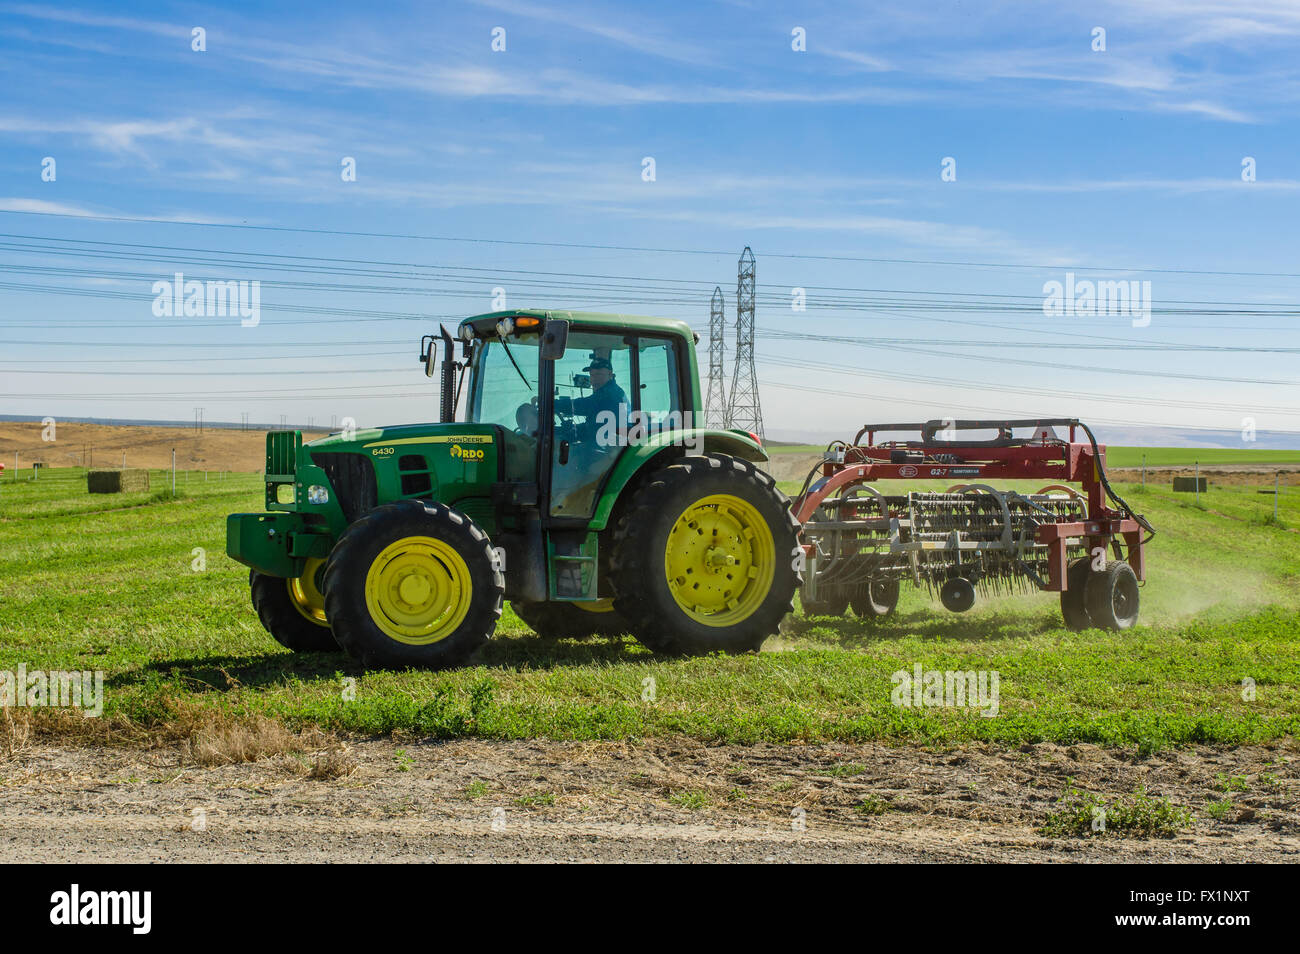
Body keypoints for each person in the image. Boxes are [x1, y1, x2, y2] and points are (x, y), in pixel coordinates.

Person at [555, 356, 629, 442]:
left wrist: (553, 404)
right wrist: (573, 429)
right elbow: (594, 425)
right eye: (592, 375)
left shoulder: (610, 393)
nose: (594, 379)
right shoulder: (613, 390)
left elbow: (583, 405)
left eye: (598, 375)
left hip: (606, 445)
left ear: (610, 374)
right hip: (603, 438)